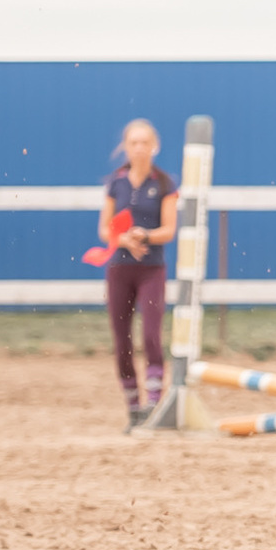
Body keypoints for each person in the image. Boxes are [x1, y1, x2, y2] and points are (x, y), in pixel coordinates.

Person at [101, 119, 178, 426]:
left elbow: (169, 230)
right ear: (126, 147)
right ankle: (133, 402)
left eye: (145, 142)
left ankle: (155, 401)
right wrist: (124, 239)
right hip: (120, 268)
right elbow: (105, 228)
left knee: (151, 333)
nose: (139, 148)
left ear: (154, 146)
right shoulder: (116, 183)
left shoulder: (164, 183)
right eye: (134, 142)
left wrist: (144, 236)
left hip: (151, 268)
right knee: (122, 339)